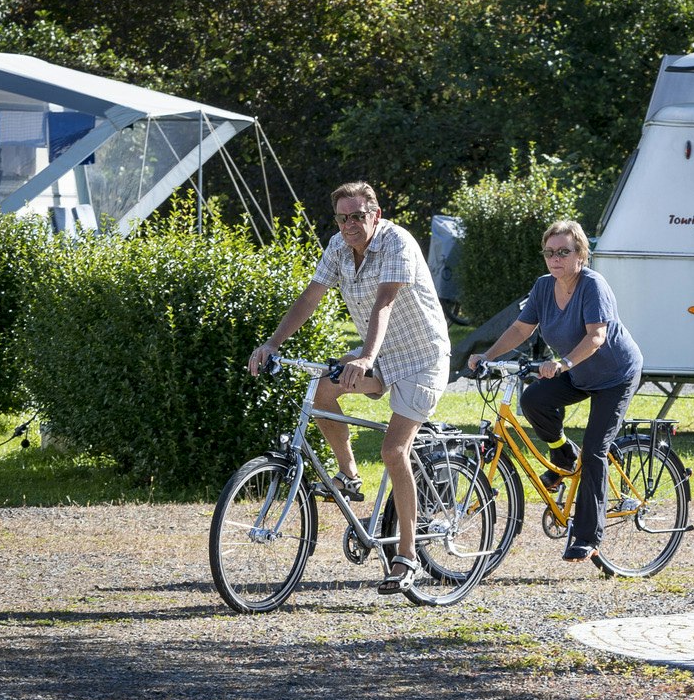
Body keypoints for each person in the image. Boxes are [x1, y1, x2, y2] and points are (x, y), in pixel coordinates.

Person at [248, 182, 451, 595]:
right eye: (342, 217)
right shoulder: (338, 247)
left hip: (421, 357)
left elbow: (385, 304)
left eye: (358, 216)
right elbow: (311, 296)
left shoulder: (397, 243)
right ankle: (349, 475)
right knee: (323, 391)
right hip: (379, 354)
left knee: (395, 450)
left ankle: (407, 558)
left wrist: (363, 358)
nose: (350, 225)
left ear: (375, 214)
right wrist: (272, 343)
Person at [468, 219, 643, 563]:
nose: (555, 258)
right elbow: (521, 328)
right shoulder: (544, 287)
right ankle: (563, 456)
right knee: (533, 399)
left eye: (563, 251)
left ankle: (588, 536)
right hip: (579, 374)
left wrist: (562, 363)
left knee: (594, 450)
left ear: (581, 254)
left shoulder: (593, 285)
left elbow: (597, 337)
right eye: (549, 252)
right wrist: (487, 356)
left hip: (614, 375)